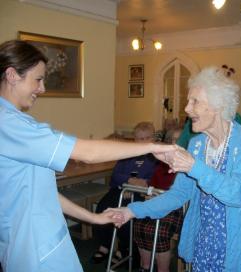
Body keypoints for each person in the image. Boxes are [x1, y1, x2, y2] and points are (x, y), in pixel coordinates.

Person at [0, 40, 174, 272]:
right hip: (35, 247)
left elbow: (41, 192)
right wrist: (152, 146)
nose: (42, 89)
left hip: (36, 241)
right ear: (12, 75)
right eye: (38, 79)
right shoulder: (10, 124)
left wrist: (95, 218)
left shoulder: (13, 123)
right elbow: (89, 153)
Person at [112, 66, 241, 271]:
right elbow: (178, 195)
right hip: (205, 246)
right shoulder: (197, 144)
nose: (186, 108)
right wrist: (131, 211)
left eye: (194, 101)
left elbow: (239, 195)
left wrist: (194, 167)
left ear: (218, 105)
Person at [91, 122, 158, 265]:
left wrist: (139, 185)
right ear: (134, 139)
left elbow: (156, 179)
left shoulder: (156, 158)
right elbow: (116, 175)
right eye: (140, 138)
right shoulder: (128, 154)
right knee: (103, 206)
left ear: (153, 138)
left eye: (147, 138)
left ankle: (125, 249)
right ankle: (105, 245)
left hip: (143, 193)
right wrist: (128, 181)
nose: (144, 141)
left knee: (126, 214)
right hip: (121, 189)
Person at [134, 128, 183, 272]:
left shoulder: (188, 162)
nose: (177, 142)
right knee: (139, 226)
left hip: (177, 207)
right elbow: (152, 184)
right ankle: (146, 266)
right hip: (156, 201)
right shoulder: (162, 163)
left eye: (180, 139)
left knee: (159, 232)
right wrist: (149, 192)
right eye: (174, 139)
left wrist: (160, 196)